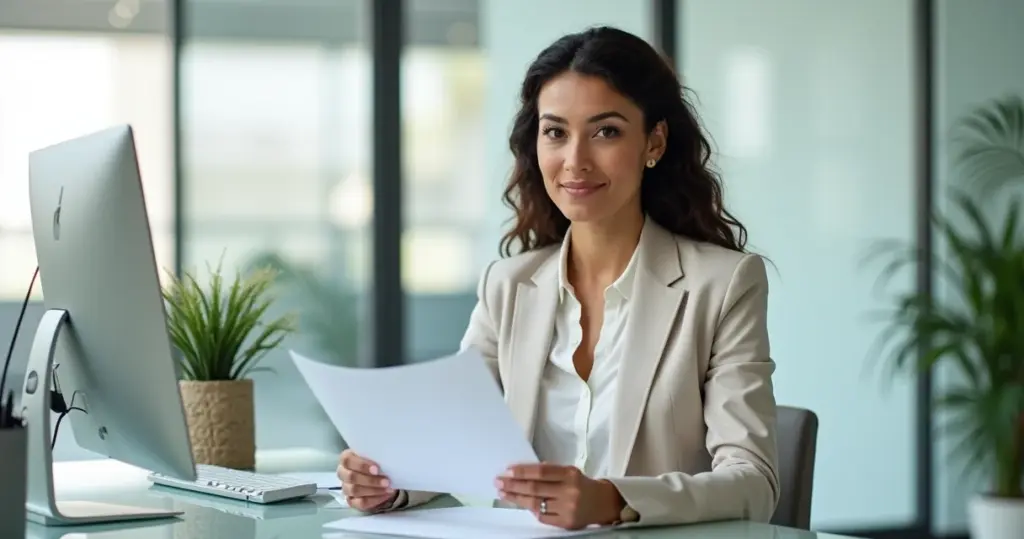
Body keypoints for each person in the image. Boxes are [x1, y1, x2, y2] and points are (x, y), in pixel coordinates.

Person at [336, 25, 779, 530]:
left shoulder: (723, 284)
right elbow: (455, 442)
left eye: (605, 131)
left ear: (653, 142)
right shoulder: (508, 285)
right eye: (556, 132)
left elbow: (754, 483)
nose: (575, 161)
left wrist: (614, 501)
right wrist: (387, 481)